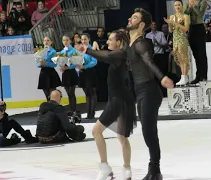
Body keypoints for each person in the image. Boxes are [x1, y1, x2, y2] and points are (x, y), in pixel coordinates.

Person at [81, 30, 136, 180]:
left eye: (111, 39)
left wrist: (88, 50)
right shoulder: (122, 54)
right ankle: (127, 170)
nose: (108, 42)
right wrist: (93, 50)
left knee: (96, 131)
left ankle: (105, 167)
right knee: (122, 137)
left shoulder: (119, 54)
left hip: (118, 100)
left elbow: (106, 56)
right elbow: (105, 55)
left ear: (118, 42)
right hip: (124, 99)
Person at [126, 8, 174, 180]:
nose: (130, 19)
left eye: (135, 17)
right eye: (131, 16)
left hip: (149, 91)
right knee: (148, 132)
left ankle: (155, 170)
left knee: (149, 131)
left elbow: (149, 61)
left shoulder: (141, 42)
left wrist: (161, 78)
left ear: (142, 24)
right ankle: (154, 170)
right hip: (140, 91)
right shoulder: (130, 43)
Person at [164, 0, 190, 86]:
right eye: (175, 5)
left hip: (182, 39)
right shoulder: (172, 16)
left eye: (179, 5)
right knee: (179, 59)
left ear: (182, 5)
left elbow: (186, 29)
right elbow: (170, 30)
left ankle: (185, 76)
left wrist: (175, 23)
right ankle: (183, 77)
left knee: (184, 58)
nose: (177, 7)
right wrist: (170, 24)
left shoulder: (185, 16)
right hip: (175, 39)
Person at [185, 0, 208, 84]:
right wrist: (189, 7)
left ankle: (204, 76)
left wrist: (194, 6)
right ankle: (198, 76)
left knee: (202, 54)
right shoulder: (189, 2)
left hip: (199, 27)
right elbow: (185, 14)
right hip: (191, 28)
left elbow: (201, 15)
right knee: (195, 54)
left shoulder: (203, 2)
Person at [77, 34, 98, 119]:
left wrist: (84, 66)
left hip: (90, 72)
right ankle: (88, 113)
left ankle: (92, 113)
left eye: (85, 39)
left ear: (89, 39)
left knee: (92, 93)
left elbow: (94, 61)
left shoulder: (91, 49)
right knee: (87, 94)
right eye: (82, 39)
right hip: (82, 73)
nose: (83, 41)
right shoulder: (80, 50)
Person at [36, 36, 61, 101]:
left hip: (51, 73)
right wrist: (40, 64)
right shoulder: (40, 51)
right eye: (45, 40)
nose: (46, 42)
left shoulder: (53, 52)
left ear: (51, 42)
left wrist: (46, 63)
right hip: (43, 73)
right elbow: (37, 64)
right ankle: (49, 108)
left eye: (48, 40)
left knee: (52, 94)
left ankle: (54, 108)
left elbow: (55, 64)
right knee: (47, 95)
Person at [59, 34, 79, 114]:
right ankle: (71, 110)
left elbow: (76, 62)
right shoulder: (62, 51)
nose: (65, 42)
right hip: (65, 74)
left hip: (71, 73)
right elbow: (60, 62)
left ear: (70, 41)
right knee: (68, 93)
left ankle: (73, 110)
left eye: (67, 40)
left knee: (71, 93)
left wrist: (67, 67)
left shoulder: (74, 50)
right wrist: (61, 66)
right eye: (64, 40)